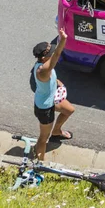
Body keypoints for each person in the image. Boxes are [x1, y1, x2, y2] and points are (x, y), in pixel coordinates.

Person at [33, 29, 75, 161]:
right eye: (50, 54)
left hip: (50, 99)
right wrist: (63, 39)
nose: (52, 54)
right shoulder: (43, 70)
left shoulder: (44, 66)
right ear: (44, 58)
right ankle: (39, 164)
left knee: (69, 110)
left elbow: (52, 77)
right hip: (44, 108)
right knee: (43, 139)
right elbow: (57, 55)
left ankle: (57, 131)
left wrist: (58, 83)